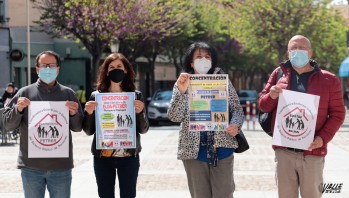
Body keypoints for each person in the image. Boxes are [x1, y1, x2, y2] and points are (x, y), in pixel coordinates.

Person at [259, 35, 345, 198]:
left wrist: (322, 138)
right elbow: (263, 106)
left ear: (310, 53)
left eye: (302, 48)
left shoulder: (329, 80)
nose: (297, 52)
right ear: (288, 53)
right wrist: (271, 96)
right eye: (293, 48)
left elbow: (338, 114)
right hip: (284, 151)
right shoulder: (278, 74)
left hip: (312, 153)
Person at [167, 42, 244, 198]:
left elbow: (237, 109)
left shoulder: (222, 81)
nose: (203, 60)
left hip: (222, 148)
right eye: (199, 57)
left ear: (212, 61)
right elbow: (174, 116)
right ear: (191, 62)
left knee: (224, 194)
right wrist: (182, 93)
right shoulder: (182, 83)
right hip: (193, 152)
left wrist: (235, 124)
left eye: (207, 57)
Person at [2, 50, 84, 198]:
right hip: (31, 167)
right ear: (37, 68)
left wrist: (73, 114)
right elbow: (8, 125)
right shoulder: (24, 93)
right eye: (44, 65)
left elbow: (78, 127)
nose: (47, 69)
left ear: (58, 68)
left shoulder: (68, 94)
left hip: (61, 167)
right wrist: (18, 109)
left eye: (51, 65)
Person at [82, 53, 149, 198]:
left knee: (128, 194)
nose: (115, 69)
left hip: (129, 156)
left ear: (125, 70)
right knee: (105, 195)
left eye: (119, 66)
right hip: (103, 157)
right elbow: (88, 130)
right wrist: (88, 113)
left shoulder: (135, 95)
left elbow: (144, 129)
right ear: (106, 71)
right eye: (111, 67)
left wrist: (139, 112)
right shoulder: (96, 95)